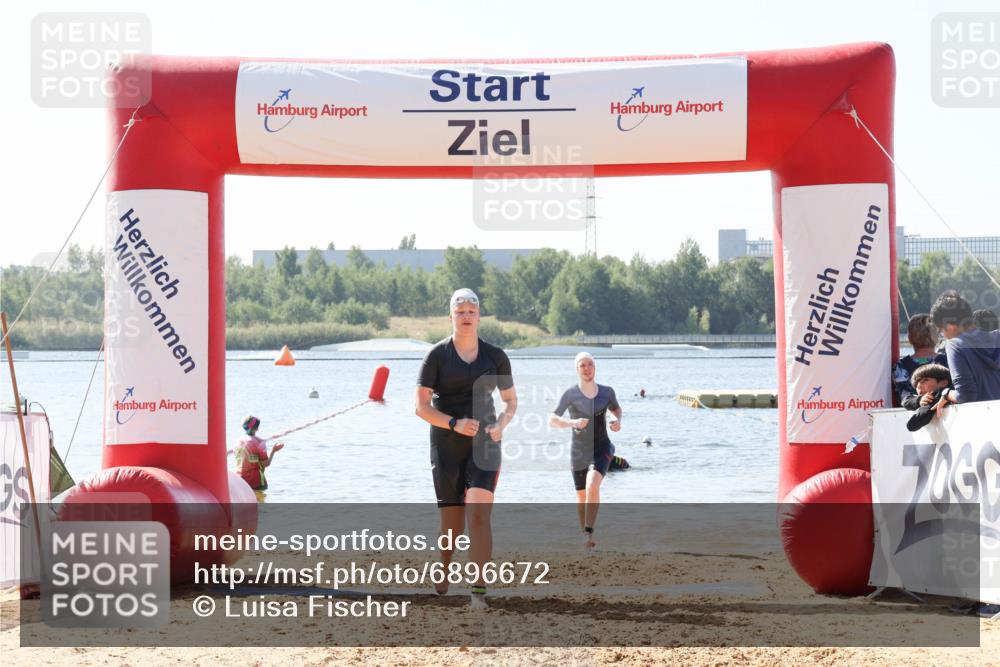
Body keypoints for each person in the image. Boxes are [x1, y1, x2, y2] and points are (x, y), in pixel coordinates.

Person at [414, 288, 517, 608]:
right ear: (451, 317)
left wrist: (501, 424)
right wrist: (453, 423)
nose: (466, 316)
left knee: (478, 515)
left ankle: (478, 591)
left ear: (479, 316)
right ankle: (444, 566)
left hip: (485, 443)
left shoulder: (495, 356)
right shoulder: (437, 356)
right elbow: (420, 407)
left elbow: (510, 402)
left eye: (472, 310)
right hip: (446, 444)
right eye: (460, 312)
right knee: (452, 525)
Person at [549, 352, 622, 550]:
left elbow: (616, 409)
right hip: (579, 451)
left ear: (595, 367)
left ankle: (589, 531)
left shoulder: (607, 392)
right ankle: (585, 537)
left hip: (602, 447)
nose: (587, 368)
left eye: (590, 364)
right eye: (583, 365)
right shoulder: (570, 394)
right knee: (581, 496)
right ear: (577, 369)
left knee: (592, 485)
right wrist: (572, 422)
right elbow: (552, 419)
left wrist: (617, 420)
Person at [930, 290, 1000, 416]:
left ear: (950, 326)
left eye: (940, 331)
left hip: (984, 422)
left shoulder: (954, 345)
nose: (943, 335)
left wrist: (946, 393)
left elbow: (966, 395)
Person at [891, 314, 947, 409]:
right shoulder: (947, 361)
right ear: (936, 337)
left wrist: (919, 400)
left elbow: (905, 397)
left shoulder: (900, 366)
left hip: (915, 416)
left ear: (909, 339)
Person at [233, 416, 284, 501]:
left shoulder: (238, 441)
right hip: (256, 483)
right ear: (257, 428)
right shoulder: (260, 442)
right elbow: (266, 463)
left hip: (240, 482)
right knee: (259, 509)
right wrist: (273, 451)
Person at [904, 364, 952, 432]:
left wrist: (929, 402)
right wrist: (919, 401)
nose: (919, 386)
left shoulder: (938, 396)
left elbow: (912, 425)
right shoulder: (919, 397)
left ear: (943, 382)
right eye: (916, 383)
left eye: (925, 380)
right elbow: (906, 401)